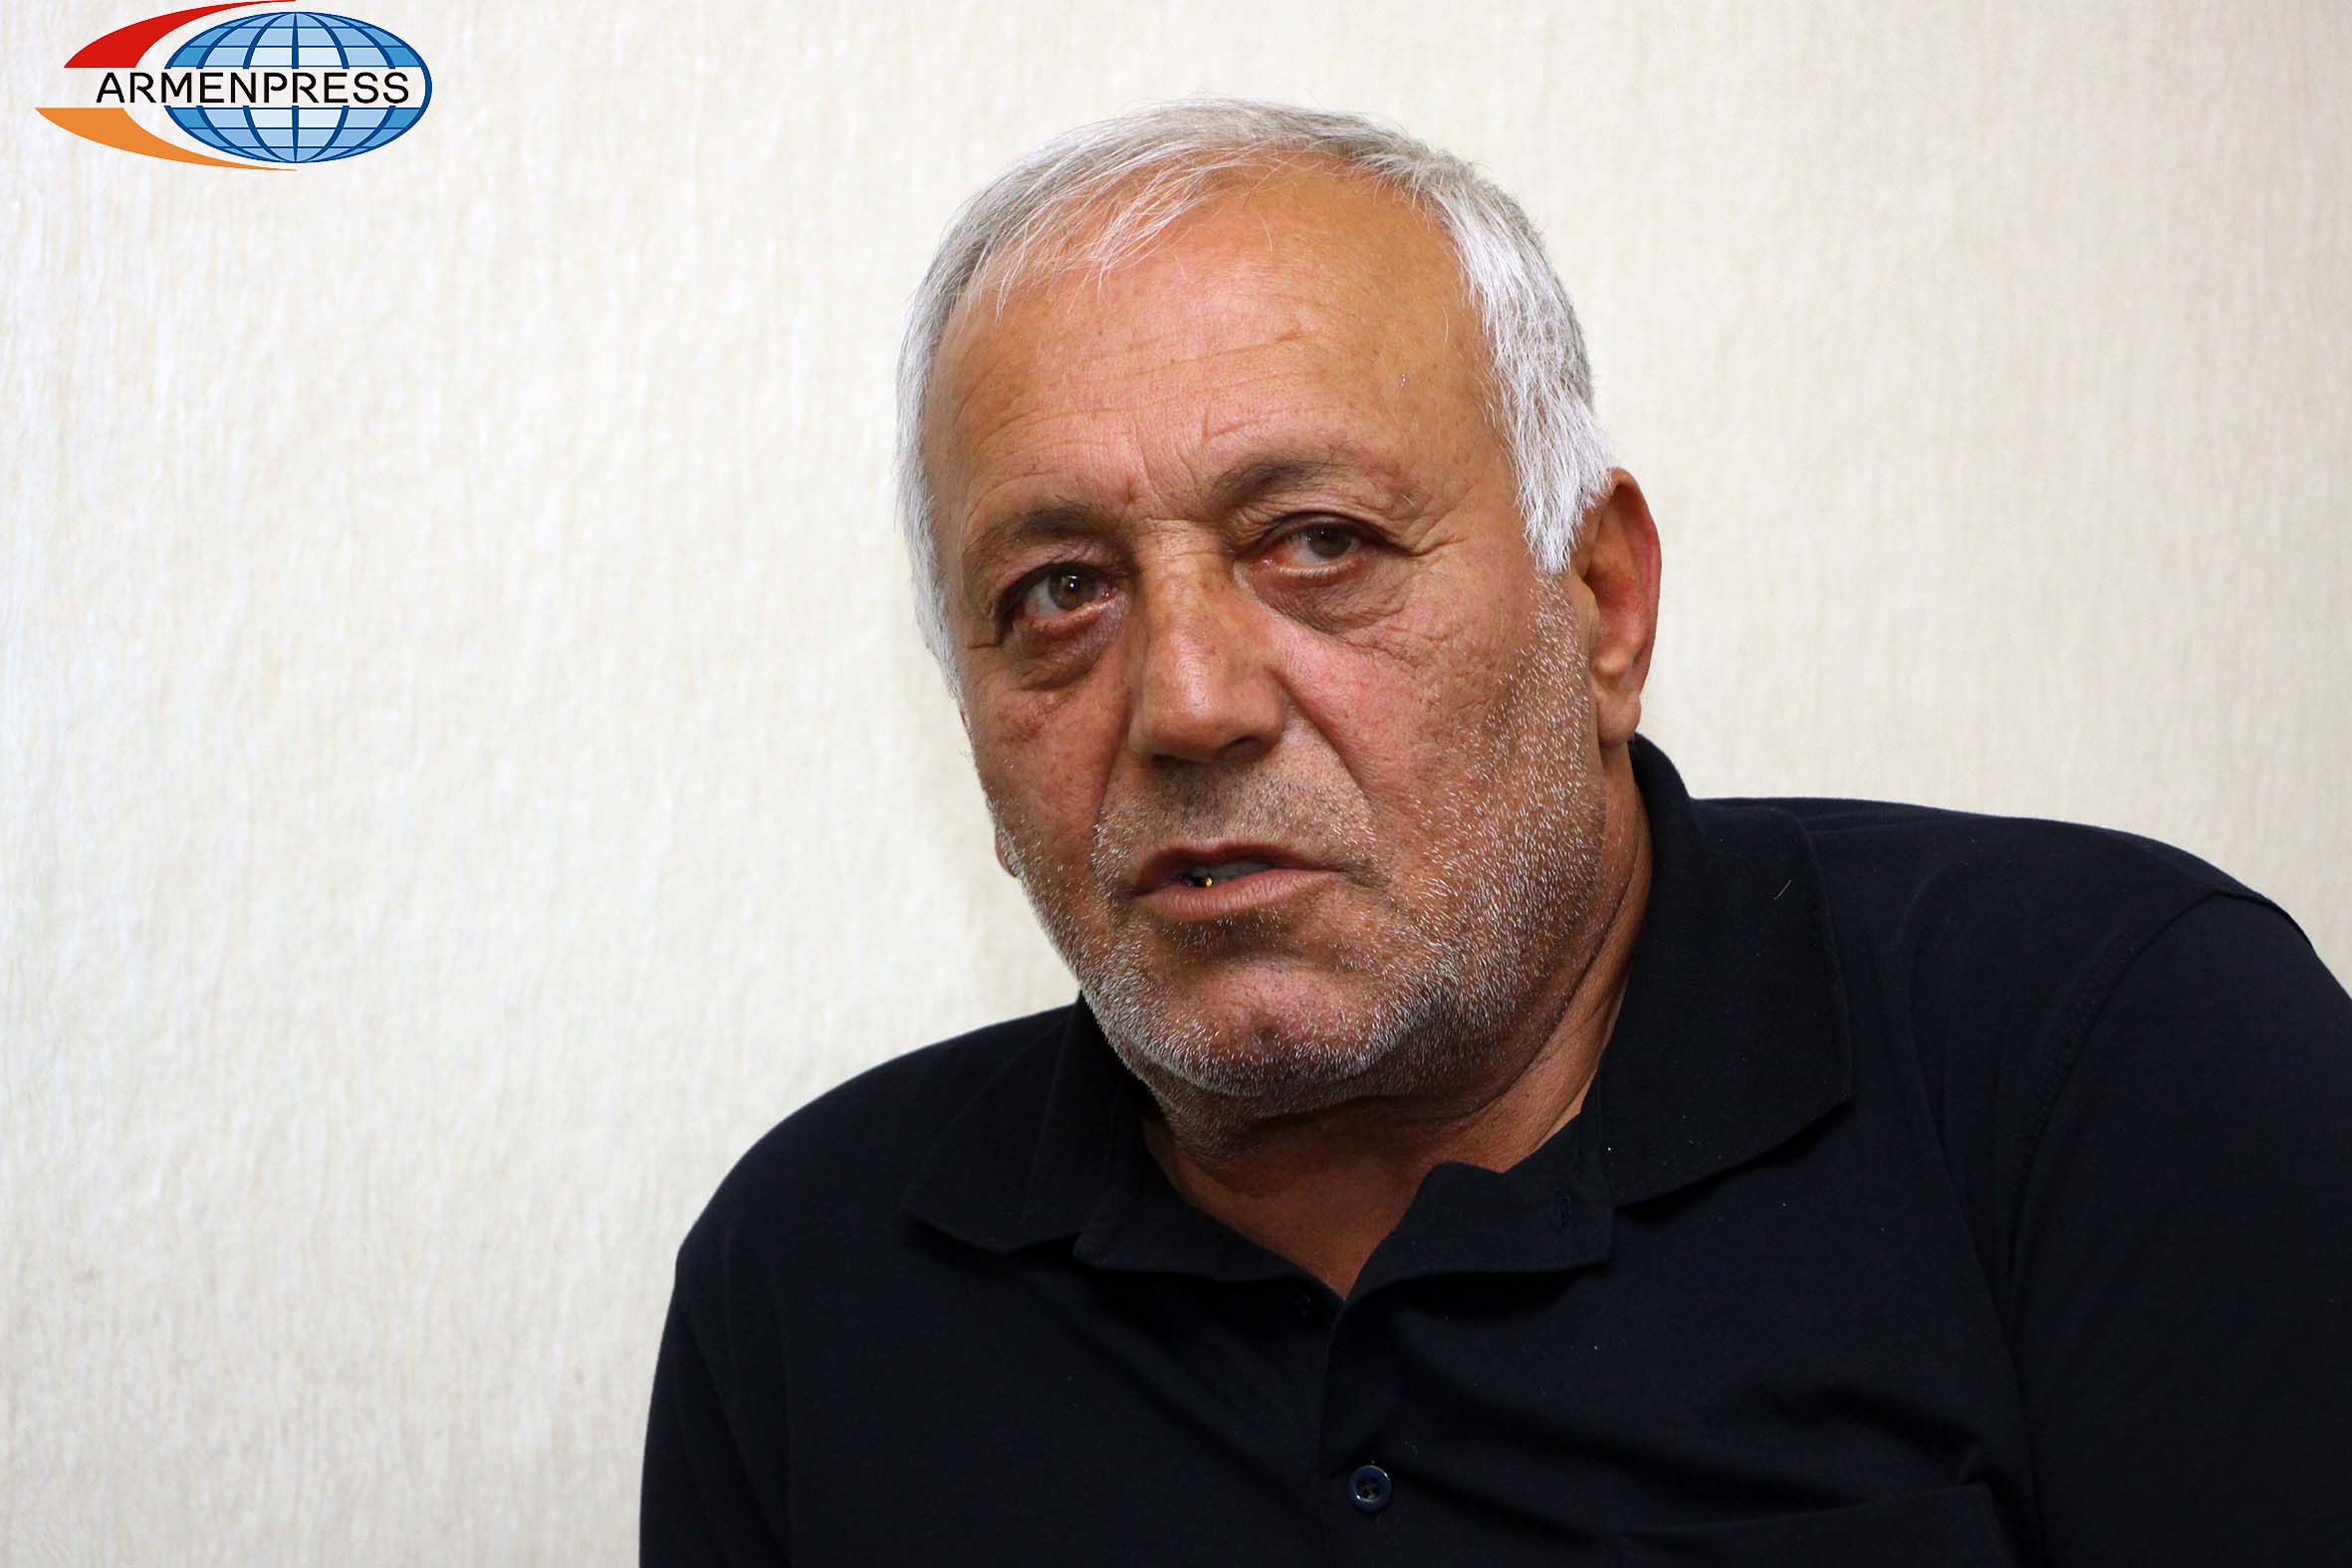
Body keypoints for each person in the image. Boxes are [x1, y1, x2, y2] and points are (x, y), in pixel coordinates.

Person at [640, 98, 2352, 1566]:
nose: (1188, 705)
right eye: (1058, 592)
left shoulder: (2104, 1057)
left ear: (1598, 602)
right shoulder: (817, 1278)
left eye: (1317, 543)